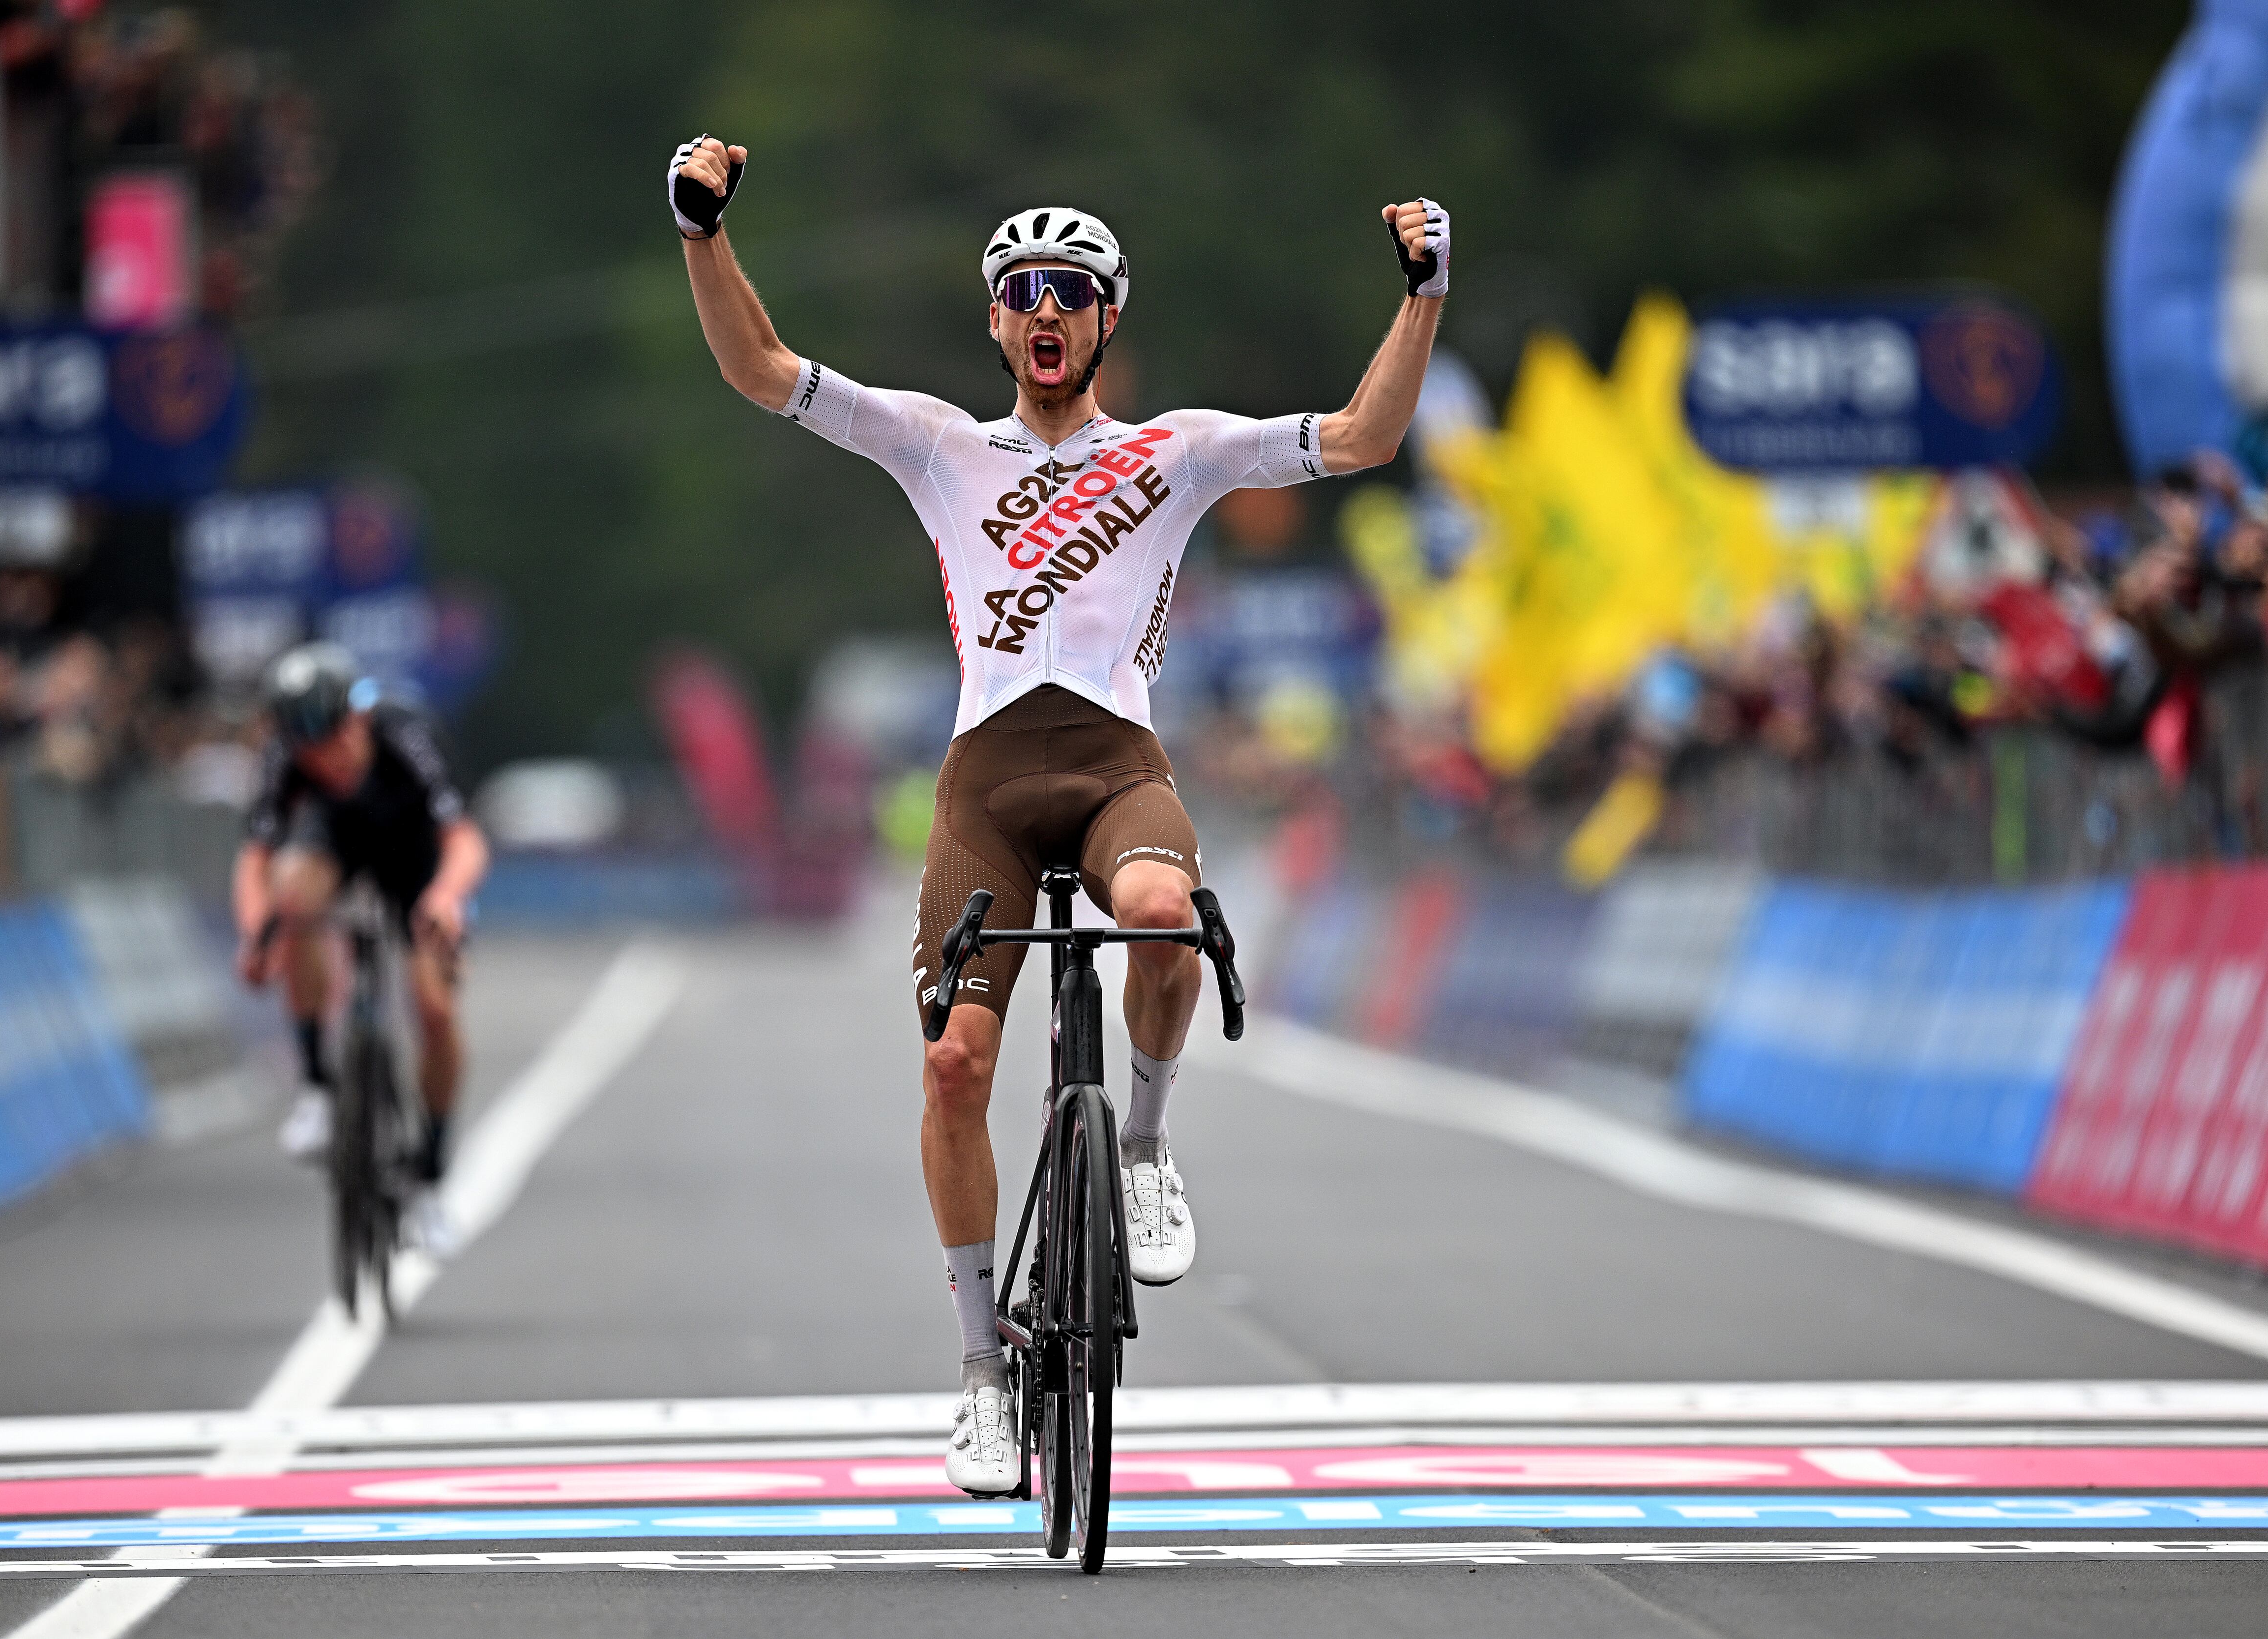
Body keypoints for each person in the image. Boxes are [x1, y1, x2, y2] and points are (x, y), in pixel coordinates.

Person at [668, 134, 1449, 1493]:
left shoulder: (1176, 453)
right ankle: (982, 1360)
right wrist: (701, 232)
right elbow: (759, 371)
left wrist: (1425, 294)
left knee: (1162, 918)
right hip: (984, 783)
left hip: (1114, 766)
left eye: (1073, 289)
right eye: (1021, 286)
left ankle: (1141, 1140)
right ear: (994, 317)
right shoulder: (934, 443)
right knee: (956, 1064)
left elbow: (1368, 436)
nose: (1046, 307)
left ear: (1108, 319)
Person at [231, 643, 490, 1257]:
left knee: (434, 1007)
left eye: (340, 739)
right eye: (313, 751)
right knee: (294, 895)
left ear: (359, 715)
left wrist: (446, 898)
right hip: (337, 847)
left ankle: (427, 1177)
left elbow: (464, 838)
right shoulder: (285, 758)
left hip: (416, 862)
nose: (333, 760)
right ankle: (318, 1084)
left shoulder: (405, 734)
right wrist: (256, 930)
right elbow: (256, 858)